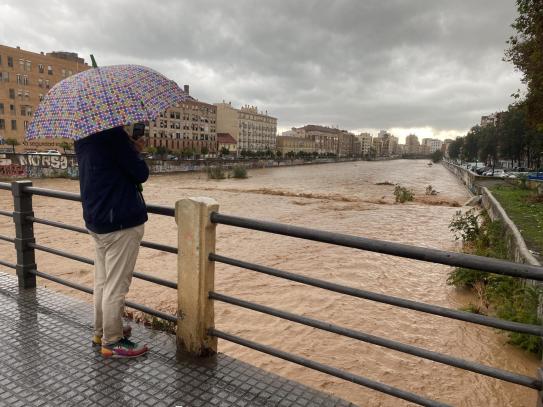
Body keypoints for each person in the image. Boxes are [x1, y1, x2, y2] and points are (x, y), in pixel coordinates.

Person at [75, 125, 149, 358]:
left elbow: (105, 169)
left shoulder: (82, 136)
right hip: (120, 222)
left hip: (97, 220)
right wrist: (134, 149)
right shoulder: (114, 136)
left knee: (102, 282)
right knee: (116, 286)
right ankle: (113, 341)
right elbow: (140, 173)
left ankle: (101, 332)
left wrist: (128, 145)